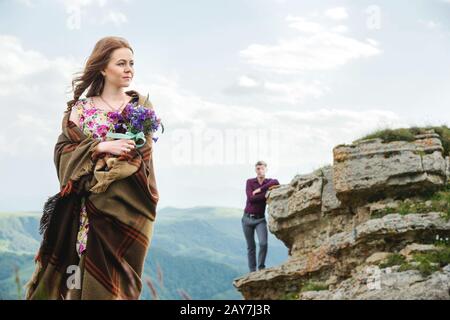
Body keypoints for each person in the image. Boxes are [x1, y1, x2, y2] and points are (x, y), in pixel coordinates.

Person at [25, 36, 159, 300]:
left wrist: (118, 159)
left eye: (131, 63)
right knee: (86, 278)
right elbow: (63, 153)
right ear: (102, 67)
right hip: (90, 208)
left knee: (121, 283)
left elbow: (142, 155)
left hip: (128, 207)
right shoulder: (81, 109)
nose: (129, 69)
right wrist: (100, 147)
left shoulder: (139, 107)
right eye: (121, 63)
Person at [242, 160, 280, 272]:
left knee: (263, 243)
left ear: (266, 169)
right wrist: (266, 194)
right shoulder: (250, 182)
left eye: (262, 168)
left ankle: (261, 267)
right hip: (247, 219)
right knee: (251, 247)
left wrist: (260, 189)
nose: (260, 171)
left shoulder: (269, 182)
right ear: (255, 170)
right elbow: (251, 199)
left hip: (260, 219)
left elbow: (276, 181)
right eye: (258, 169)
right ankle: (252, 271)